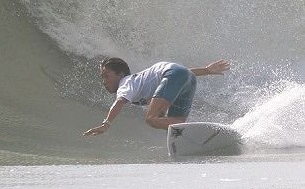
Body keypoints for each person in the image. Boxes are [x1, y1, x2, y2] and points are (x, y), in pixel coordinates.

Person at [83, 57, 231, 136]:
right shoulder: (138, 81)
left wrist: (106, 124)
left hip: (173, 74)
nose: (104, 82)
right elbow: (182, 73)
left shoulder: (125, 82)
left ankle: (193, 135)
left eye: (106, 76)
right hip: (187, 78)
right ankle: (190, 139)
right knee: (173, 124)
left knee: (151, 118)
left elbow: (119, 102)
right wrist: (206, 70)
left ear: (120, 74)